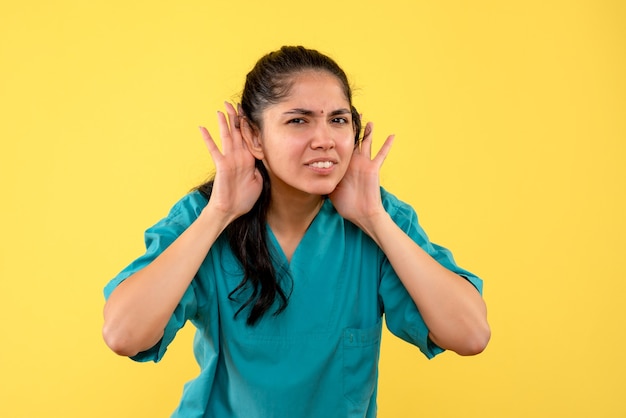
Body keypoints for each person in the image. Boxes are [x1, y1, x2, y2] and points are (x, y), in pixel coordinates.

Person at [102, 45, 490, 418]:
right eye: (298, 120)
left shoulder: (379, 218)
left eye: (338, 120)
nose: (324, 139)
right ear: (254, 137)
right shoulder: (205, 217)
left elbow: (471, 335)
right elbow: (123, 334)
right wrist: (219, 213)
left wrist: (373, 219)